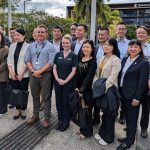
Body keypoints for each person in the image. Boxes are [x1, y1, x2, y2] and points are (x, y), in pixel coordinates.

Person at [117, 40, 149, 150]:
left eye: (136, 47)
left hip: (132, 96)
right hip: (122, 93)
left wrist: (137, 98)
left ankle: (129, 141)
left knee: (132, 119)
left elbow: (142, 82)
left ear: (140, 49)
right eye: (131, 46)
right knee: (127, 117)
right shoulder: (125, 59)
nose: (133, 49)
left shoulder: (143, 63)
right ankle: (128, 136)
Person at [25, 24, 57, 128]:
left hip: (46, 75)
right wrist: (34, 71)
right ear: (35, 33)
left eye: (42, 32)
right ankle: (35, 115)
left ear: (46, 33)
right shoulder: (31, 46)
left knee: (46, 97)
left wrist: (39, 72)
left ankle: (46, 118)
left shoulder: (51, 46)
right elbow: (27, 60)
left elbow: (51, 62)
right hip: (33, 74)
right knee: (35, 96)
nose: (40, 34)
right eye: (38, 32)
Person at [94, 38, 121, 145]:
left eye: (109, 45)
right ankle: (102, 133)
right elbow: (97, 74)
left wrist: (102, 89)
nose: (105, 46)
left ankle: (109, 138)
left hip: (110, 90)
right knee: (104, 113)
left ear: (113, 47)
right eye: (104, 44)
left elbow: (112, 78)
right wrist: (96, 87)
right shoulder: (102, 58)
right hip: (101, 89)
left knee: (110, 114)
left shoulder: (116, 60)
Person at [53, 35, 78, 131]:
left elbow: (74, 70)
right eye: (63, 43)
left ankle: (66, 121)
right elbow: (54, 67)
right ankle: (60, 120)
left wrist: (65, 81)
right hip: (58, 82)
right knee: (59, 102)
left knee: (66, 103)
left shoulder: (74, 56)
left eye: (67, 43)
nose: (65, 44)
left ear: (70, 44)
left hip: (68, 84)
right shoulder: (58, 54)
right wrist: (57, 78)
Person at [75, 39, 97, 139]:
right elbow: (77, 75)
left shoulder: (93, 61)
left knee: (87, 111)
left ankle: (87, 132)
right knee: (81, 111)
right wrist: (76, 87)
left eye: (88, 47)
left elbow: (89, 77)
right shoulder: (80, 59)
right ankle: (82, 128)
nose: (85, 49)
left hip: (87, 90)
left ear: (92, 49)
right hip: (78, 89)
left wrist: (82, 90)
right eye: (84, 47)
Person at [7, 29, 29, 120]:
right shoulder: (12, 46)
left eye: (18, 35)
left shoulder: (28, 46)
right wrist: (11, 72)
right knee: (15, 91)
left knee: (23, 91)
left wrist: (21, 74)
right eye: (15, 35)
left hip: (23, 75)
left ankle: (23, 109)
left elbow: (27, 60)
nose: (16, 36)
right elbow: (9, 59)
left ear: (23, 36)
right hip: (13, 74)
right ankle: (17, 109)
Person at [93, 27, 110, 125]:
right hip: (96, 77)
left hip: (106, 79)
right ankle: (96, 118)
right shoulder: (95, 47)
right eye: (99, 34)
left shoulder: (112, 48)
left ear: (107, 35)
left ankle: (106, 122)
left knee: (105, 101)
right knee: (96, 97)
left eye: (102, 34)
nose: (100, 36)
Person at [136, 26, 150, 138]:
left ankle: (144, 127)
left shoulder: (149, 48)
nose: (140, 34)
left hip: (147, 82)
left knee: (145, 107)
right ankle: (131, 126)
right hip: (133, 82)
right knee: (132, 106)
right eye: (139, 32)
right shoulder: (131, 47)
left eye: (143, 33)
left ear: (147, 35)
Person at [116, 22, 130, 124]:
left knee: (123, 94)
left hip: (124, 73)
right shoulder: (112, 42)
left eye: (122, 29)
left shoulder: (130, 44)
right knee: (113, 92)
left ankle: (122, 114)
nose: (120, 31)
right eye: (119, 29)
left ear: (126, 30)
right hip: (113, 72)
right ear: (116, 30)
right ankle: (113, 110)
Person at [0, 32, 9, 117]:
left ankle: (3, 110)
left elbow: (5, 62)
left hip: (2, 75)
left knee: (2, 94)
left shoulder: (6, 49)